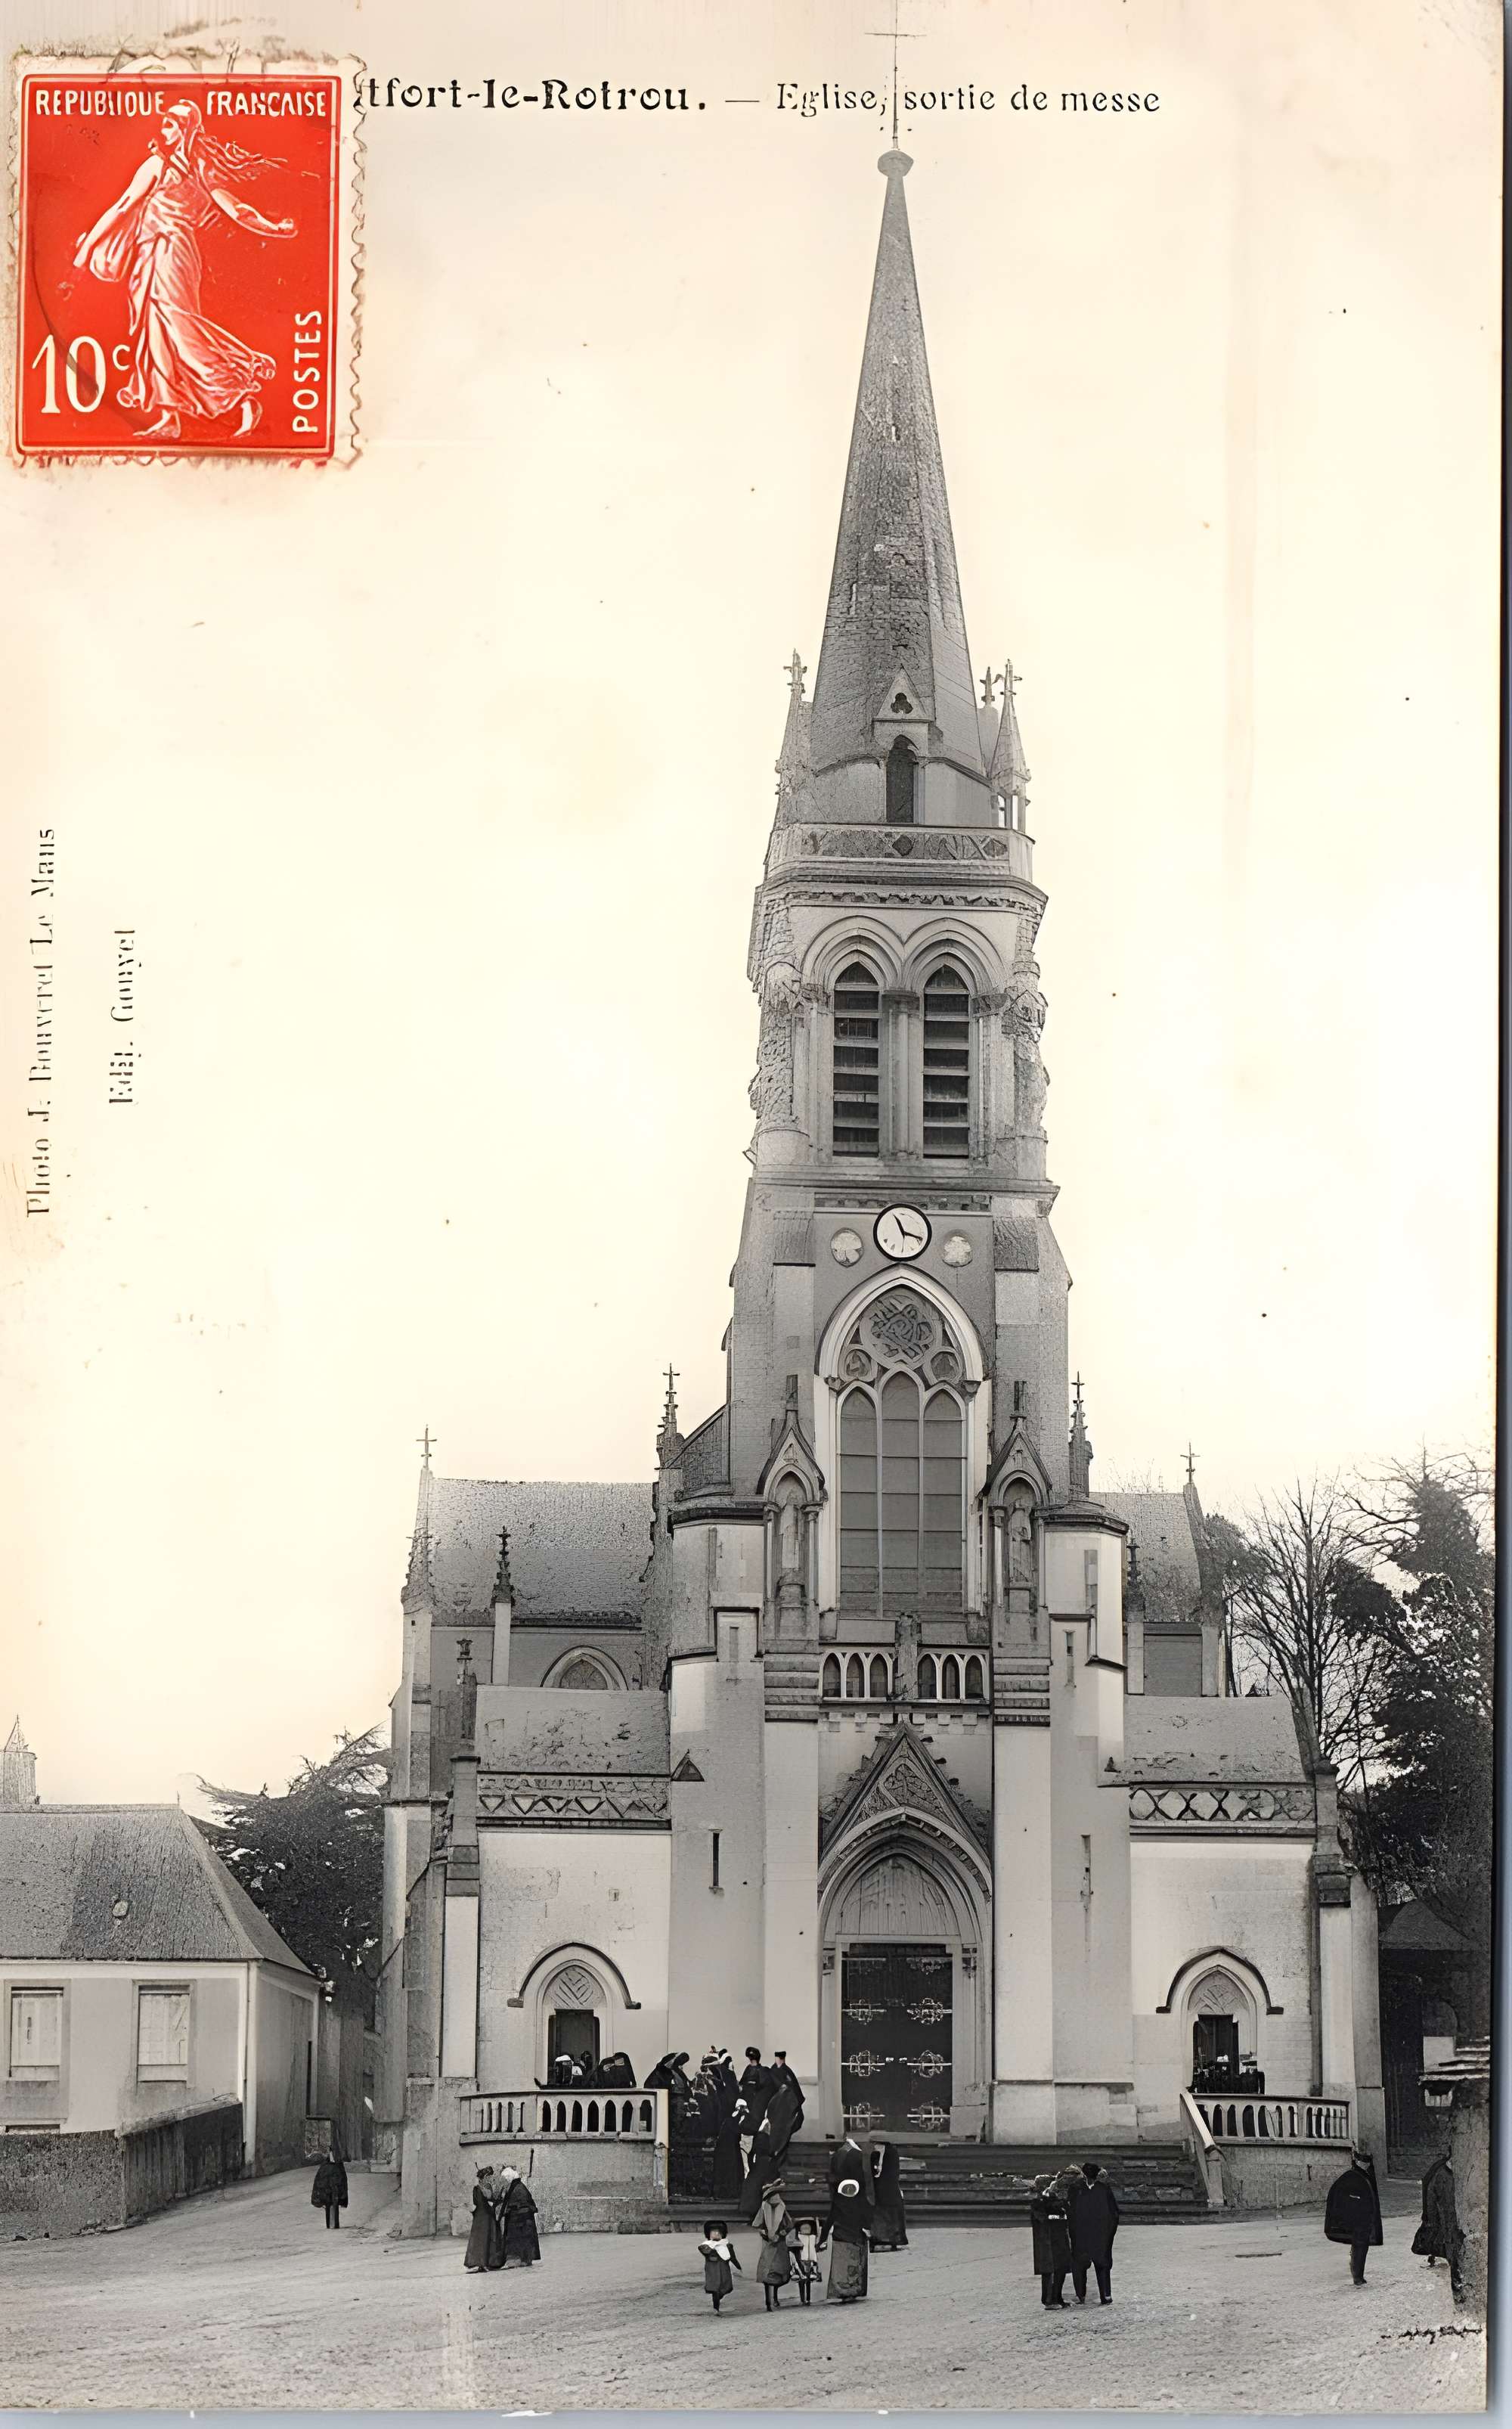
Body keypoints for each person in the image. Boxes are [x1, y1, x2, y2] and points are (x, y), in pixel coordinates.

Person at [71, 100, 296, 439]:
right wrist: (273, 228)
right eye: (163, 124)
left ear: (185, 129)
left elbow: (235, 210)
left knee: (177, 326)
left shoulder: (168, 166)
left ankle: (240, 394)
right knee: (157, 332)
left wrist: (274, 229)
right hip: (153, 253)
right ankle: (169, 418)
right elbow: (124, 207)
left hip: (170, 252)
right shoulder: (183, 167)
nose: (162, 131)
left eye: (169, 125)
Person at [1325, 2146, 1383, 2285]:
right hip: (1359, 2222)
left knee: (1361, 2248)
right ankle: (1358, 2277)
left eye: (1368, 2161)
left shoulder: (1364, 2175)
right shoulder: (1352, 2178)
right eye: (1364, 2160)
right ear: (1357, 2161)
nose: (1366, 2164)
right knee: (1360, 2247)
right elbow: (1344, 2200)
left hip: (1364, 2221)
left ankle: (1358, 2274)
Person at [1414, 2151, 1464, 2301]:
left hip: (1453, 2221)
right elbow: (1431, 2200)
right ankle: (1457, 2287)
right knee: (1450, 2250)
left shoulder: (1452, 2174)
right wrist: (1431, 2219)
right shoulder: (1441, 2175)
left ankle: (1457, 2281)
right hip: (1445, 2221)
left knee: (1453, 2249)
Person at [818, 2169, 872, 2303]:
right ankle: (853, 2289)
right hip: (856, 2239)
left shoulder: (838, 2204)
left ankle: (842, 2290)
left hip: (840, 2239)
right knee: (854, 2267)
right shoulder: (860, 2204)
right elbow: (867, 2221)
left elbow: (828, 2223)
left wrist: (821, 2241)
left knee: (841, 2269)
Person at [1070, 2159, 1120, 2303]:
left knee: (1098, 2264)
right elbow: (1114, 2214)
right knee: (1084, 2265)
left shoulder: (1084, 2189)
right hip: (1086, 2234)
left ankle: (1094, 2295)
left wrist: (1109, 2233)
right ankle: (1096, 2295)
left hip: (1096, 2235)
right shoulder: (1082, 2189)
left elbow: (1113, 2214)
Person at [1029, 2173, 1072, 2306]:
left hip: (1058, 2240)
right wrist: (1060, 2217)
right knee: (1049, 2273)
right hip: (1047, 2241)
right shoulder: (1038, 2202)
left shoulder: (1053, 2200)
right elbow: (1046, 2219)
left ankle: (1058, 2298)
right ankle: (1049, 2300)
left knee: (1061, 2270)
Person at [755, 2178, 797, 2310]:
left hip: (780, 2245)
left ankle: (776, 2297)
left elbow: (790, 2224)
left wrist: (783, 2233)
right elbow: (758, 2225)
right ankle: (768, 2301)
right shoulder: (764, 2209)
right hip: (768, 2245)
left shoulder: (782, 2208)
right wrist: (765, 2234)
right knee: (768, 2272)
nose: (776, 2198)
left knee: (780, 2272)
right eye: (774, 2195)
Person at [497, 2165, 541, 2266]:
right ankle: (523, 2260)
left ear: (509, 2178)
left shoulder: (518, 2188)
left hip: (521, 2222)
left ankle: (521, 2260)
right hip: (521, 2221)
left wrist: (510, 2210)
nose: (504, 2182)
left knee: (520, 2241)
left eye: (505, 2179)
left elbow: (523, 2205)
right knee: (522, 2241)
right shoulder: (516, 2186)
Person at [869, 2139, 909, 2251]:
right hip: (889, 2189)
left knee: (883, 2215)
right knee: (892, 2215)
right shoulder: (891, 2152)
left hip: (882, 2189)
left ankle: (881, 2238)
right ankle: (892, 2239)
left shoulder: (880, 2153)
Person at [463, 2164, 503, 2272]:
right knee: (488, 2239)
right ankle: (488, 2263)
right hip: (487, 2216)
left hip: (478, 2216)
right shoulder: (488, 2187)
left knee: (479, 2240)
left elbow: (475, 2204)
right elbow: (490, 2199)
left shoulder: (476, 2188)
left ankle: (480, 2263)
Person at [699, 2218, 741, 2313]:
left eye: (719, 2232)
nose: (716, 2234)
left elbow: (732, 2256)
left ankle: (719, 2297)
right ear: (709, 2234)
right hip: (712, 2270)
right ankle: (716, 2307)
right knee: (715, 2288)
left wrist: (738, 2265)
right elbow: (705, 2251)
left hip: (724, 2268)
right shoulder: (706, 2245)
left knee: (726, 2286)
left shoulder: (727, 2245)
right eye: (713, 2232)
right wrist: (715, 2247)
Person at [712, 2099, 748, 2204]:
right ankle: (729, 2192)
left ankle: (725, 2192)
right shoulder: (732, 2121)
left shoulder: (729, 2120)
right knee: (731, 2171)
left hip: (728, 2150)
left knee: (728, 2171)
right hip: (730, 2150)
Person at [311, 2143, 349, 2232]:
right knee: (329, 2205)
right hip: (328, 2189)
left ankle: (335, 2224)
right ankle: (329, 2225)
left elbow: (343, 2178)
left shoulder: (339, 2165)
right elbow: (320, 2178)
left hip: (336, 2188)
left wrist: (341, 2190)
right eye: (332, 2152)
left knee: (334, 2206)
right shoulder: (325, 2165)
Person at [792, 2213, 822, 2306]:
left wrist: (817, 2221)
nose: (806, 2230)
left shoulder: (813, 2237)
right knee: (802, 2280)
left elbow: (818, 2234)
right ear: (800, 2230)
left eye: (808, 2229)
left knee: (808, 2280)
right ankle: (802, 2298)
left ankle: (808, 2298)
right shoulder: (798, 2238)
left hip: (811, 2261)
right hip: (801, 2260)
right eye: (803, 2229)